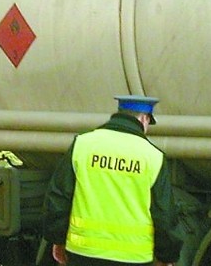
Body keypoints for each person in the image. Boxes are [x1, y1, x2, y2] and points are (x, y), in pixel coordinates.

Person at [42, 95, 183, 266]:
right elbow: (163, 213)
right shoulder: (153, 156)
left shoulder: (83, 145)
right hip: (134, 258)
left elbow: (59, 198)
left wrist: (57, 239)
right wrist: (167, 256)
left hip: (83, 253)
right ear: (144, 119)